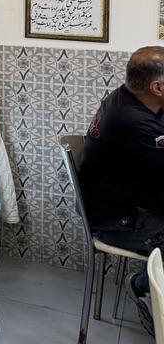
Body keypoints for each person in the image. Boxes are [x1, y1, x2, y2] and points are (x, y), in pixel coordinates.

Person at [79, 46, 164, 337]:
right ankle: (140, 286)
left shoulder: (130, 96)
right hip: (117, 220)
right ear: (158, 87)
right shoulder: (134, 121)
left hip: (124, 200)